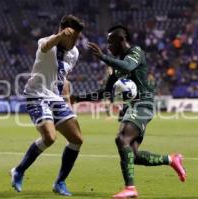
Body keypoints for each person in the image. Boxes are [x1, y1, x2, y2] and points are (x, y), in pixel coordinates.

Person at [87, 25, 186, 198]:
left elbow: (127, 66)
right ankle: (172, 159)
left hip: (143, 103)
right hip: (132, 107)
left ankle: (130, 189)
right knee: (134, 155)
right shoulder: (117, 67)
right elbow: (106, 91)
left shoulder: (136, 52)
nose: (108, 46)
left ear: (121, 40)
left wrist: (103, 57)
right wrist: (78, 98)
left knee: (121, 138)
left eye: (110, 42)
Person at [10, 15, 84, 196]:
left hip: (56, 98)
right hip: (37, 95)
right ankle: (18, 170)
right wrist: (59, 36)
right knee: (50, 138)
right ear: (63, 31)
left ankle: (60, 182)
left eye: (78, 38)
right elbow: (45, 46)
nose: (75, 41)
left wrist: (67, 105)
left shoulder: (74, 53)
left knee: (77, 139)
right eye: (72, 37)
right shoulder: (45, 42)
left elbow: (63, 79)